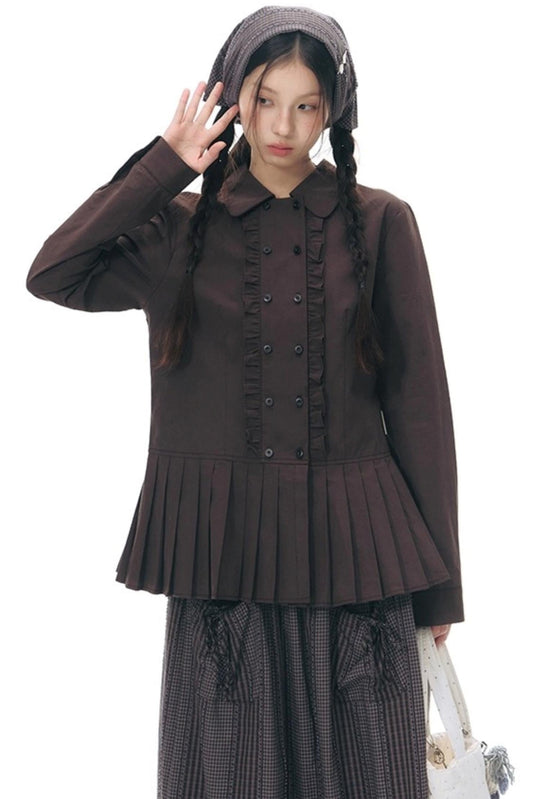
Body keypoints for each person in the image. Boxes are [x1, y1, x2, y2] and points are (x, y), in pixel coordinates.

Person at [26, 6, 464, 798]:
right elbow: (54, 272)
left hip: (359, 575)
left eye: (305, 105)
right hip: (222, 569)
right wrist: (164, 165)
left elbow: (421, 412)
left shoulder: (381, 224)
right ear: (234, 98)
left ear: (331, 112)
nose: (282, 127)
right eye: (264, 100)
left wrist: (439, 594)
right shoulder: (177, 228)